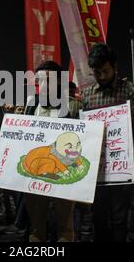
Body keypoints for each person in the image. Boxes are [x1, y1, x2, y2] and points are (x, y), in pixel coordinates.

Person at [81, 43, 134, 242]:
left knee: (119, 219)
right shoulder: (87, 94)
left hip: (122, 169)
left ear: (115, 67)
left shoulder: (130, 90)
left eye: (105, 71)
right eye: (97, 72)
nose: (101, 76)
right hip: (96, 170)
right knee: (98, 218)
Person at [23, 60, 78, 242]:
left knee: (65, 229)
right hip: (36, 174)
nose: (44, 85)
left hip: (64, 174)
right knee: (36, 229)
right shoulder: (31, 105)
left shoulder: (72, 106)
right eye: (40, 80)